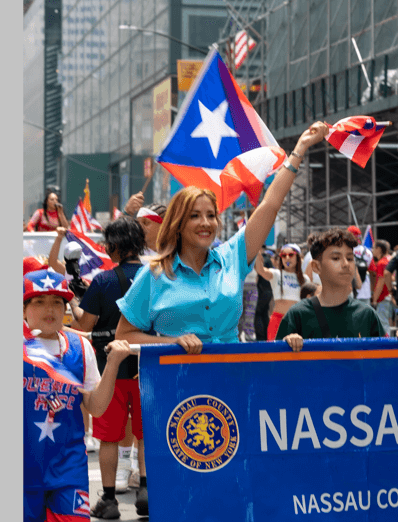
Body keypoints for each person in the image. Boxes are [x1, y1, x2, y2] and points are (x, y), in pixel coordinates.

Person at [115, 122, 328, 354]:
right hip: (179, 384)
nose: (205, 223)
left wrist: (300, 148)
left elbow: (270, 205)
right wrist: (173, 343)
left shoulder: (233, 256)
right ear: (178, 224)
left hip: (231, 377)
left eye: (211, 216)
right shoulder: (153, 274)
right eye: (195, 216)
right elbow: (124, 336)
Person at [278, 227, 398, 522]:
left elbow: (385, 374)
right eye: (335, 258)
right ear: (316, 268)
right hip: (307, 439)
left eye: (350, 259)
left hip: (355, 439)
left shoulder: (366, 316)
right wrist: (286, 350)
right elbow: (274, 380)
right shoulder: (298, 316)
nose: (344, 265)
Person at [23, 269, 127, 522]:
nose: (49, 310)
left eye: (57, 302)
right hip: (24, 467)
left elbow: (95, 407)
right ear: (24, 309)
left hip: (68, 464)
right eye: (39, 302)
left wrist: (114, 363)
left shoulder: (80, 348)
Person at [69, 217, 150, 519]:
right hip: (148, 369)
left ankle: (109, 500)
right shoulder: (156, 277)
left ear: (114, 246)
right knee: (145, 435)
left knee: (108, 436)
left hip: (111, 370)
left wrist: (77, 297)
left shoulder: (102, 281)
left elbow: (84, 324)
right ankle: (145, 489)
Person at [258, 243, 306, 341]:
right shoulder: (275, 274)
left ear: (298, 257)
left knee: (296, 355)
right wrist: (256, 248)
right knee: (273, 355)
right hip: (277, 321)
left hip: (297, 322)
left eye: (291, 255)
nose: (287, 258)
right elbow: (260, 270)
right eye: (283, 255)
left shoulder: (305, 279)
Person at [369, 239, 394, 330]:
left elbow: (380, 282)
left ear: (379, 249)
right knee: (388, 322)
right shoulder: (390, 260)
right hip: (389, 296)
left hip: (383, 297)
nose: (372, 250)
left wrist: (374, 299)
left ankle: (386, 344)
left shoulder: (382, 263)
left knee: (383, 324)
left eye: (374, 247)